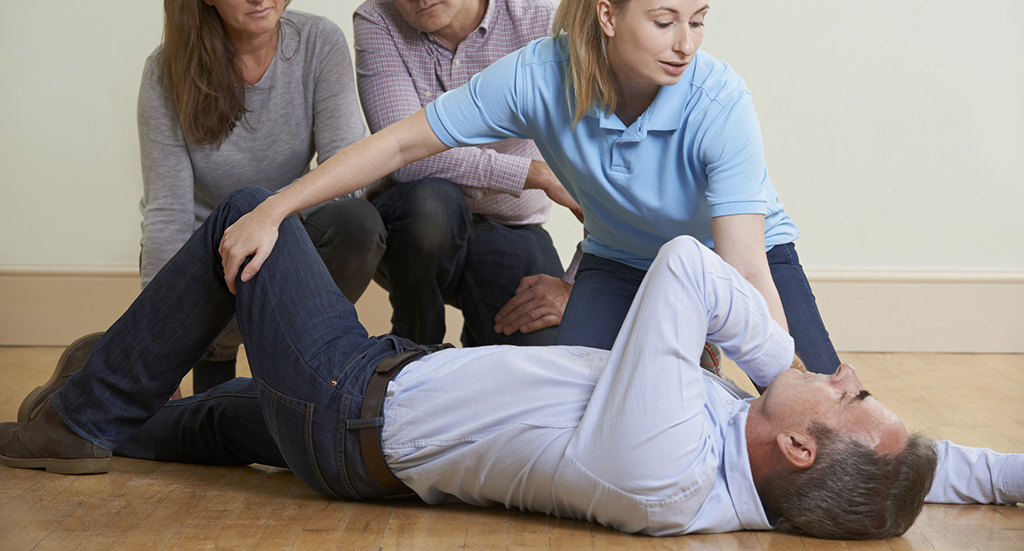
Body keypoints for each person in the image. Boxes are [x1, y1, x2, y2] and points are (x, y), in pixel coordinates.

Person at [0, 187, 940, 539]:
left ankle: (78, 413)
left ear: (806, 450)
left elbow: (690, 267)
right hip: (387, 421)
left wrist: (778, 362)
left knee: (250, 216)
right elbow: (921, 467)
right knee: (212, 420)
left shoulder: (666, 470)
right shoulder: (745, 461)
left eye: (850, 398)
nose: (845, 375)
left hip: (351, 403)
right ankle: (110, 413)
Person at [215, 0, 835, 373]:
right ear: (609, 17)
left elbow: (744, 263)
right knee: (574, 407)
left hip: (732, 255)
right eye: (665, 20)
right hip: (619, 262)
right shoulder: (540, 75)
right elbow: (400, 144)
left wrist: (790, 384)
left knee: (812, 398)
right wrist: (272, 210)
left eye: (697, 20)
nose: (686, 42)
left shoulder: (718, 98)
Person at [138, 0, 385, 391]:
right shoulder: (164, 72)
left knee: (357, 224)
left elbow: (346, 171)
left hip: (291, 236)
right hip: (209, 259)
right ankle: (217, 350)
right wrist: (155, 322)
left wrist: (271, 221)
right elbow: (168, 210)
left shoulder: (319, 42)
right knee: (203, 416)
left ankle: (290, 365)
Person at [353, 0, 578, 347]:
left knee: (546, 349)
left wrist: (575, 285)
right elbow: (408, 159)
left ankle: (476, 357)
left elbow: (606, 167)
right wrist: (531, 173)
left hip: (510, 225)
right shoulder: (376, 20)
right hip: (413, 226)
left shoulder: (544, 26)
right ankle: (415, 348)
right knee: (433, 203)